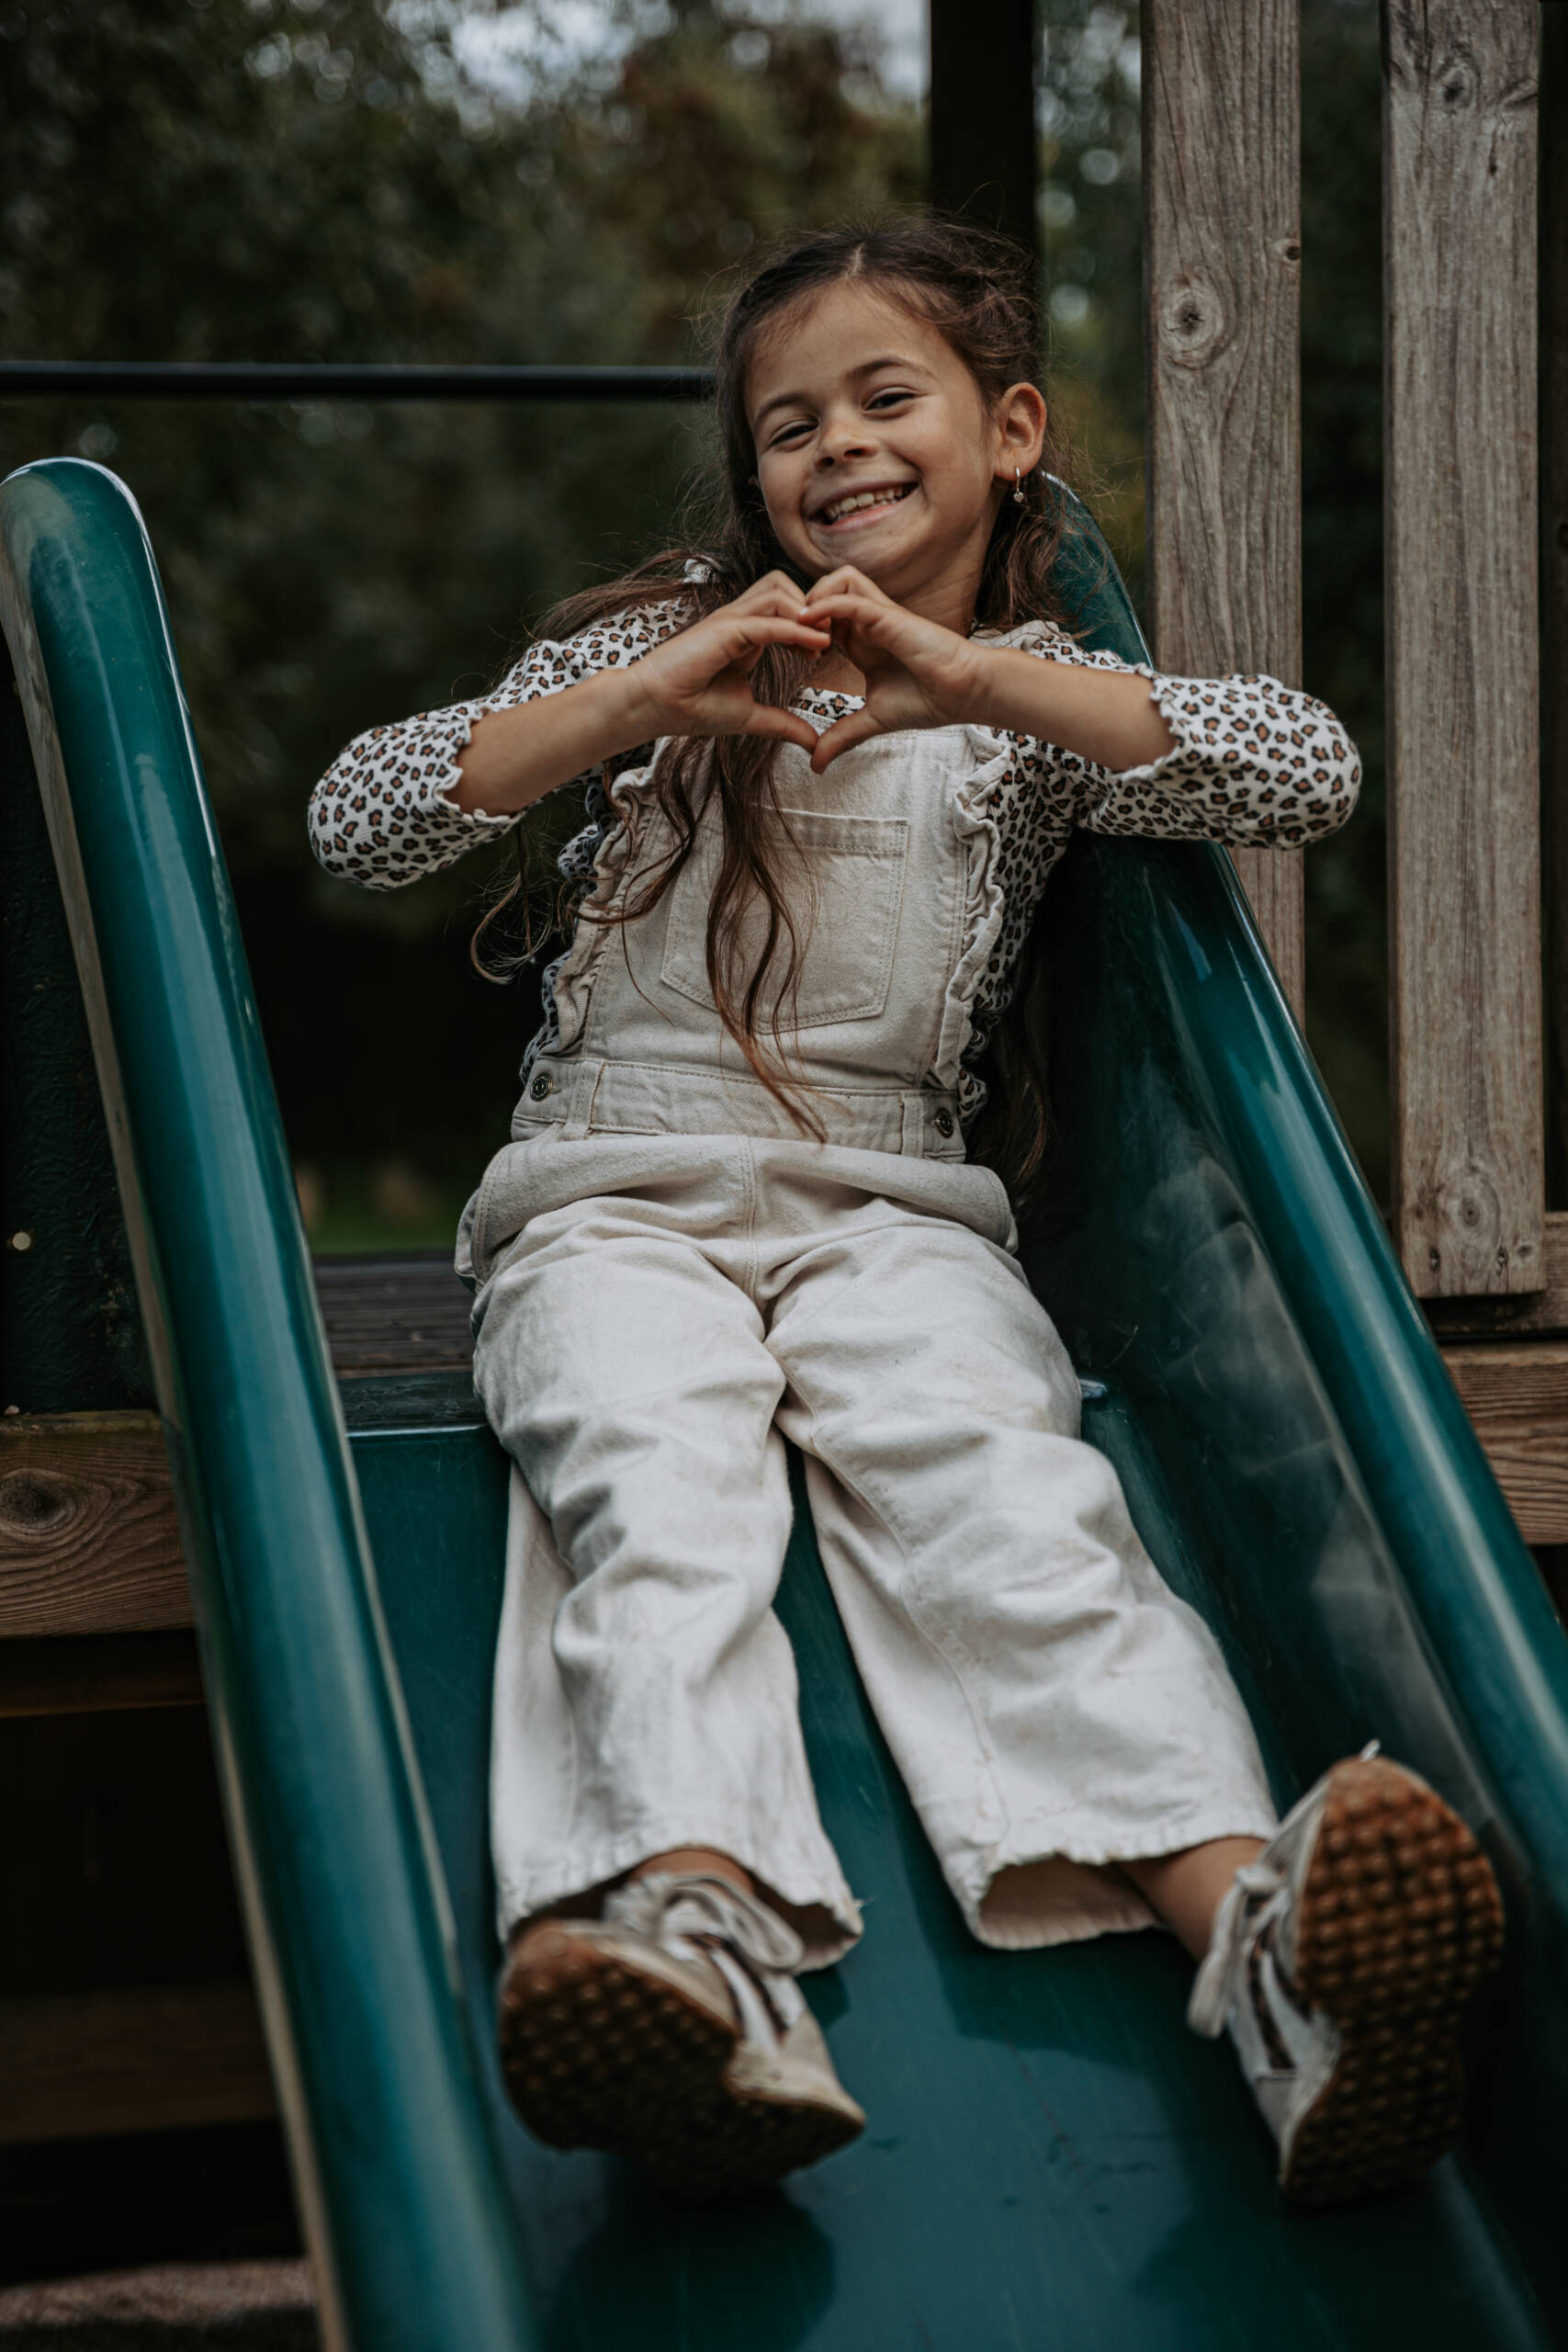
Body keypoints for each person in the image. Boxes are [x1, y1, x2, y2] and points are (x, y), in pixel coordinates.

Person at [309, 220, 1502, 2209]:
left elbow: (1307, 767)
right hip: (612, 1200)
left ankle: (1262, 1947)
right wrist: (631, 709)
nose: (836, 448)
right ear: (751, 473)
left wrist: (981, 684)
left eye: (887, 398)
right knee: (651, 1473)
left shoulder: (1029, 699)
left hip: (892, 1216)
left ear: (1008, 428)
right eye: (790, 424)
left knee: (1008, 1500)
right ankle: (694, 1947)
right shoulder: (651, 646)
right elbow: (364, 816)